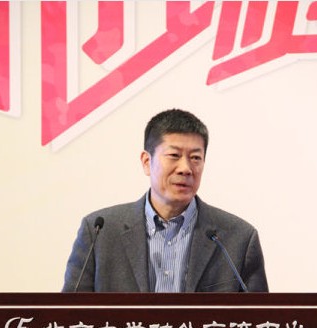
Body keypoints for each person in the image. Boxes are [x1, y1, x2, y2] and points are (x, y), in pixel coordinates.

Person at [62, 108, 268, 293]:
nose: (185, 168)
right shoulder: (99, 232)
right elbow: (70, 315)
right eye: (174, 155)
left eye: (195, 158)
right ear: (146, 162)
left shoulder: (238, 239)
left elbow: (258, 318)